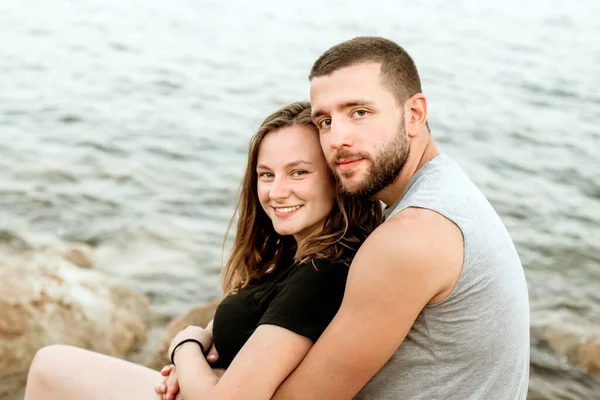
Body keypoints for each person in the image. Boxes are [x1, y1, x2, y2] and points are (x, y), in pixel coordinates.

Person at [160, 36, 531, 400]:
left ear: (414, 113)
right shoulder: (446, 192)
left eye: (359, 112)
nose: (337, 138)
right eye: (324, 120)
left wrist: (188, 350)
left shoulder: (413, 234)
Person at [23, 101, 382, 400]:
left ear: (336, 178)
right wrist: (194, 357)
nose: (276, 191)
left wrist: (184, 345)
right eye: (267, 174)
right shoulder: (297, 258)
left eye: (299, 172)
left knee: (49, 365)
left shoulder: (323, 273)